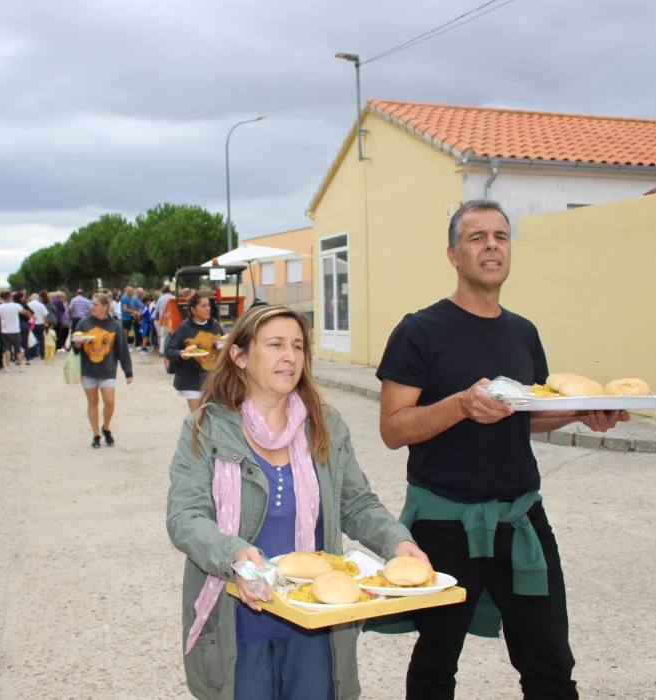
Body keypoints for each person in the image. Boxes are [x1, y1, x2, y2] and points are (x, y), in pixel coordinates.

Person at [376, 200, 629, 699]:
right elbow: (393, 428)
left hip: (521, 522)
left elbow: (525, 413)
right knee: (435, 664)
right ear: (452, 253)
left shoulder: (523, 332)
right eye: (477, 237)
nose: (491, 246)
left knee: (550, 664)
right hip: (445, 526)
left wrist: (580, 412)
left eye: (501, 236)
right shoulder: (418, 331)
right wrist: (460, 406)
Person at [166, 304, 430, 699]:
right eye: (274, 345)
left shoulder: (324, 424)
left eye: (297, 346)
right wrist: (233, 554)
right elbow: (185, 517)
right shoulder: (205, 427)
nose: (290, 356)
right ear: (239, 356)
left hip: (315, 618)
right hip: (238, 618)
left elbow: (356, 504)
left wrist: (399, 542)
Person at [71, 293, 133, 449]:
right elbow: (75, 350)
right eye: (92, 304)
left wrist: (128, 371)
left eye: (96, 304)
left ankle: (106, 427)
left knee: (109, 402)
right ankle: (96, 434)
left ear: (105, 306)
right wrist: (78, 344)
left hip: (108, 369)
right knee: (92, 402)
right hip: (88, 369)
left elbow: (122, 349)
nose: (92, 307)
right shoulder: (83, 324)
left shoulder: (115, 326)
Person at [166, 291, 224, 412]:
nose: (208, 309)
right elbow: (169, 351)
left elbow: (223, 343)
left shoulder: (215, 325)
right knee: (198, 417)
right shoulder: (183, 328)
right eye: (203, 306)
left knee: (214, 417)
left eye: (208, 305)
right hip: (191, 380)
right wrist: (181, 354)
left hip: (213, 380)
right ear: (193, 309)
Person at [0, 291, 29, 370]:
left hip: (5, 330)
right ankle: (20, 365)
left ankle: (8, 366)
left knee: (7, 349)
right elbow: (24, 312)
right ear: (10, 297)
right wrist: (31, 317)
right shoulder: (16, 306)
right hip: (15, 329)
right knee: (18, 348)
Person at [26, 292, 49, 362]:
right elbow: (45, 315)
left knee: (31, 339)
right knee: (41, 339)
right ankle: (42, 354)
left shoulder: (28, 305)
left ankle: (31, 354)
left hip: (31, 323)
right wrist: (45, 323)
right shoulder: (41, 305)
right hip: (40, 323)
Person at [156, 285, 175, 354]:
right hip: (172, 320)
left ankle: (162, 351)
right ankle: (171, 349)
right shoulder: (174, 298)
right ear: (170, 290)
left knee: (163, 336)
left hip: (163, 320)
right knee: (172, 335)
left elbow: (157, 310)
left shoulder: (161, 298)